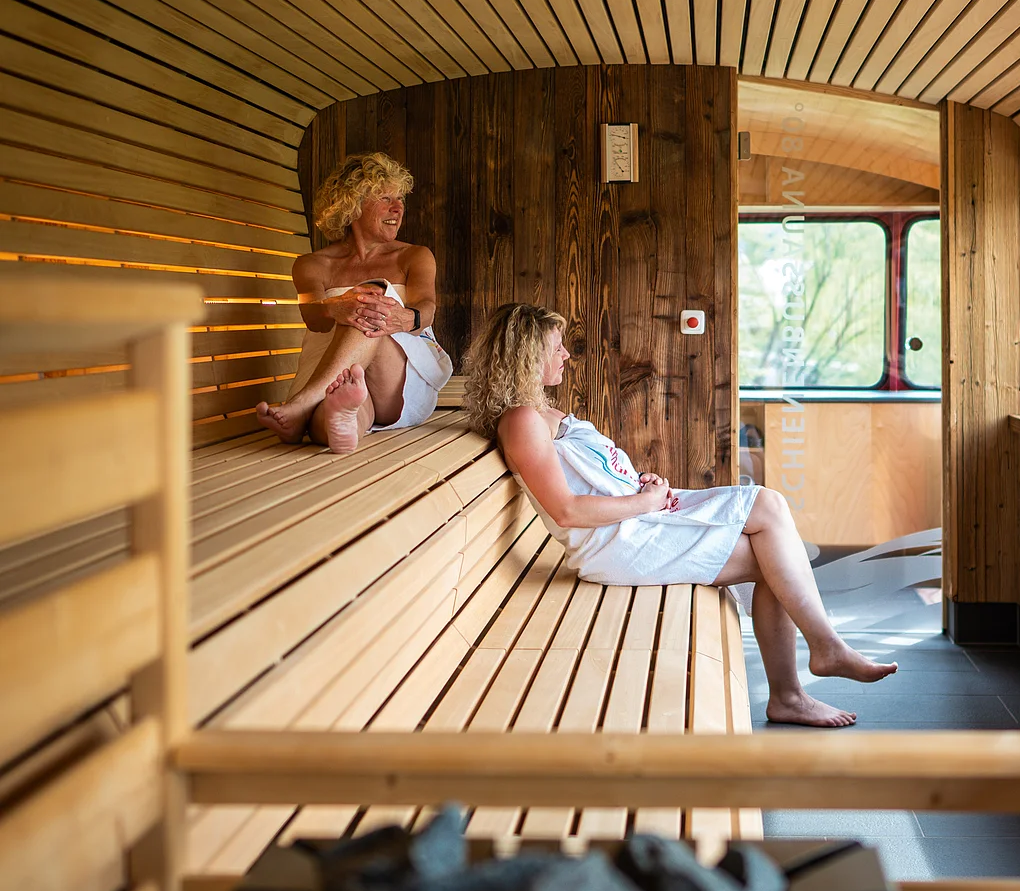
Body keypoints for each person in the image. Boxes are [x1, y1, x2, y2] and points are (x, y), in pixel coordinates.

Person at [463, 303, 896, 728]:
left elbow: (586, 478)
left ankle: (808, 672)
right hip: (617, 543)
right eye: (555, 347)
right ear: (525, 356)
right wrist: (643, 502)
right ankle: (806, 674)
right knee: (773, 554)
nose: (565, 355)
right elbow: (566, 509)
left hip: (635, 517)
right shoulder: (522, 421)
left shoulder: (539, 412)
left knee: (769, 507)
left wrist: (637, 482)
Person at [256, 151, 451, 453]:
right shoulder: (313, 265)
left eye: (400, 199)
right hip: (331, 376)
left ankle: (302, 405)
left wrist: (408, 319)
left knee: (370, 302)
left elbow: (427, 306)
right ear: (352, 203)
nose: (398, 208)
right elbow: (313, 317)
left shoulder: (414, 256)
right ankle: (343, 422)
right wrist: (334, 307)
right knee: (333, 411)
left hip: (397, 381)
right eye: (386, 198)